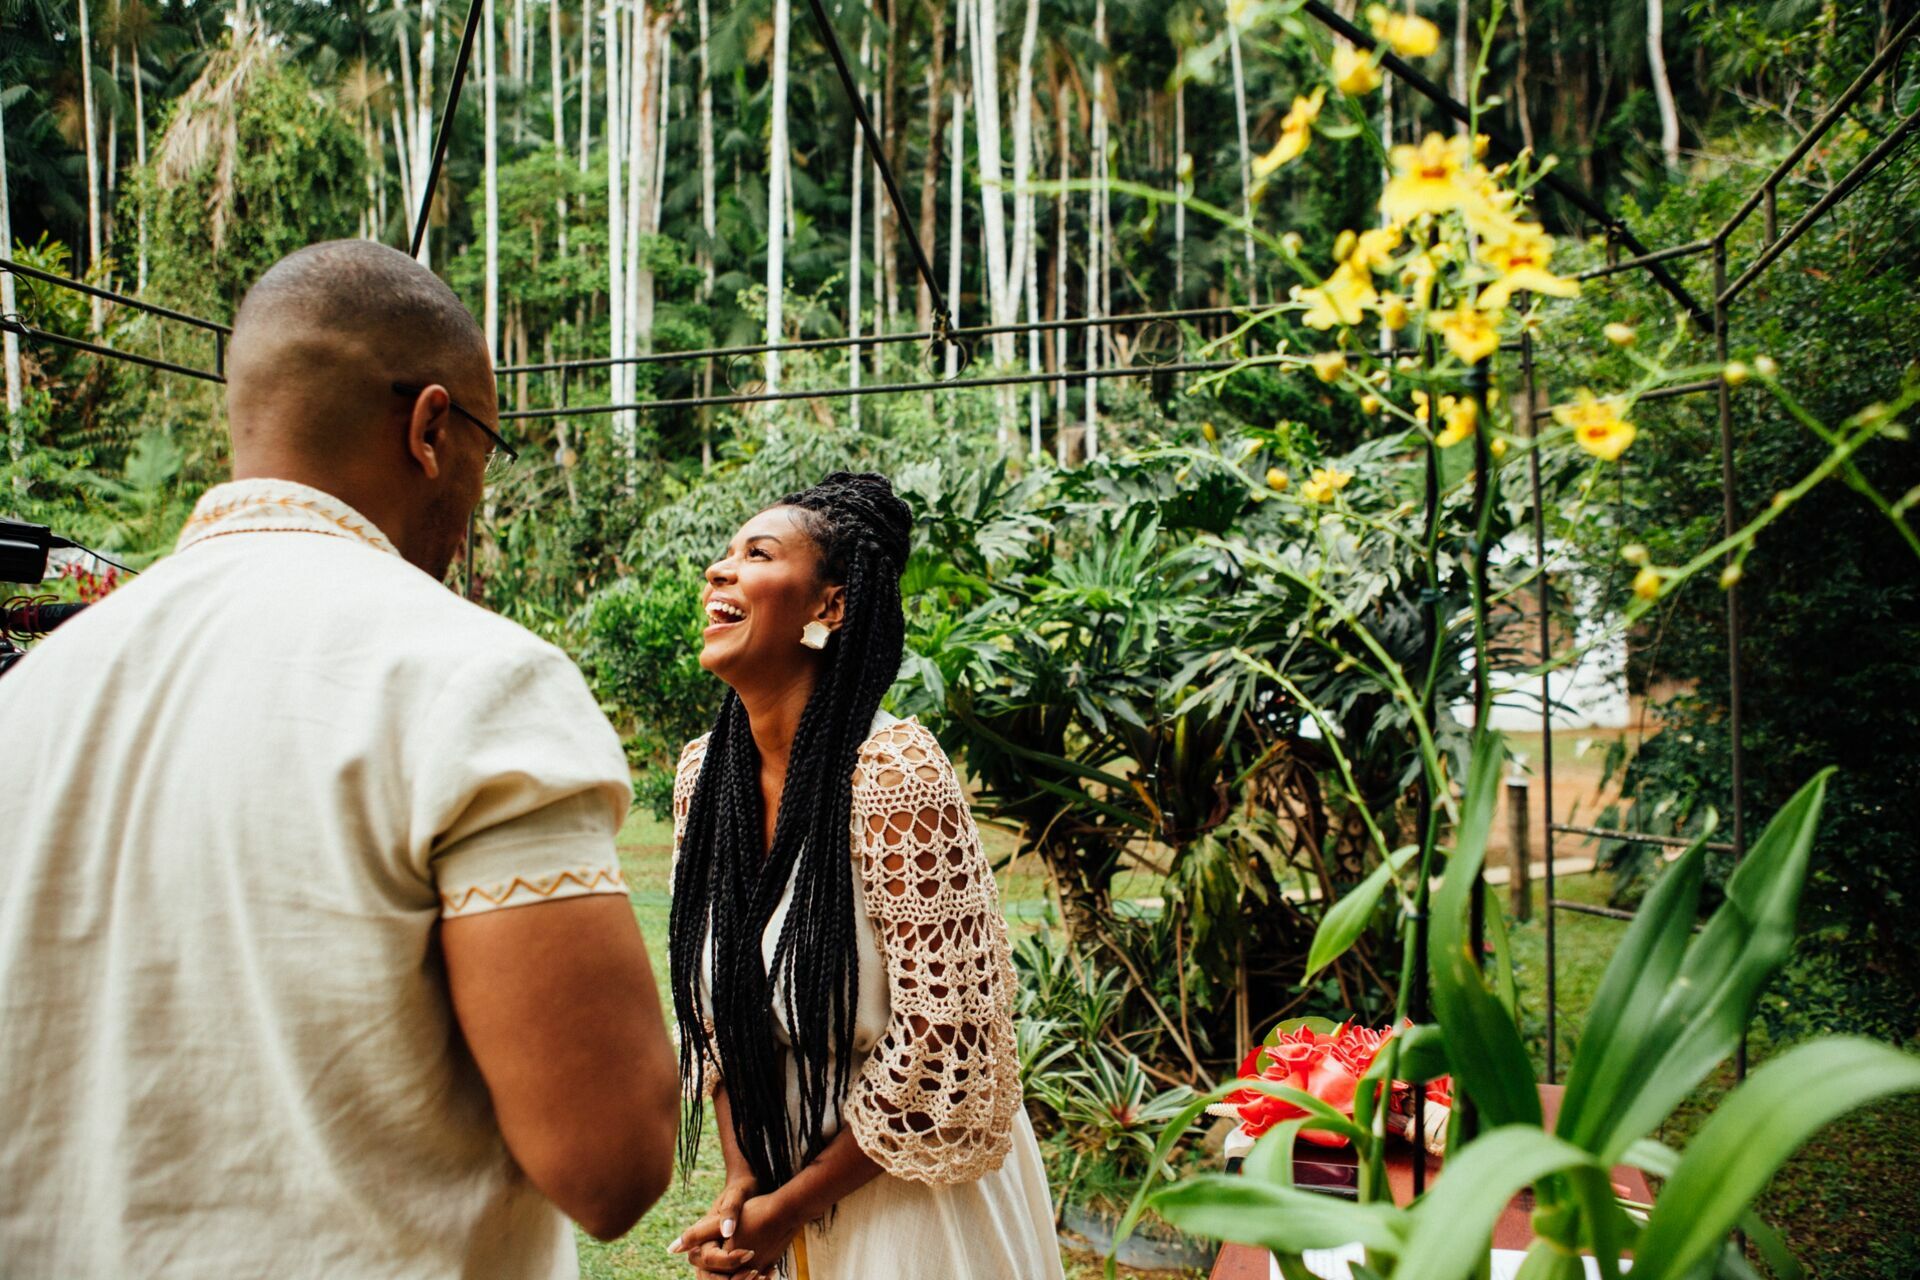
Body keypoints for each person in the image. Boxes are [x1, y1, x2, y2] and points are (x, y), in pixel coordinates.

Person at [0, 240, 680, 1276]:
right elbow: (611, 1162)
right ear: (431, 429)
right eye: (486, 452)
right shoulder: (474, 679)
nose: (476, 496)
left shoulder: (34, 694)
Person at [663, 472, 1064, 1280]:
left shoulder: (893, 775)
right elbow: (713, 1016)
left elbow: (947, 1037)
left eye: (757, 553)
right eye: (723, 554)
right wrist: (745, 1179)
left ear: (829, 609)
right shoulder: (704, 783)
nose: (719, 569)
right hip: (779, 1191)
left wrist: (795, 1202)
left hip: (914, 1204)